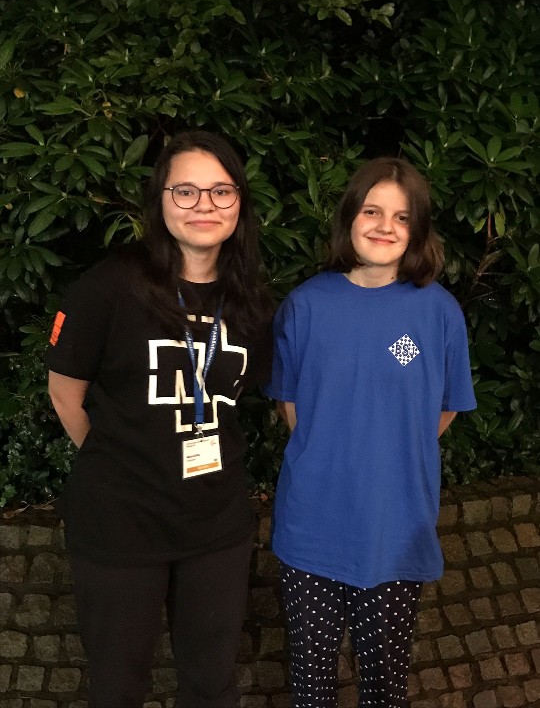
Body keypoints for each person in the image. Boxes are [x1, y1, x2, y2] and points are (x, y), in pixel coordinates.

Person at [46, 130, 273, 708]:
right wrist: (123, 460)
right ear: (161, 200)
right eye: (186, 191)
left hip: (216, 527)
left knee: (211, 686)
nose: (204, 206)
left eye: (221, 191)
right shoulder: (109, 286)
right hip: (121, 525)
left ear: (239, 203)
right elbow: (65, 393)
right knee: (118, 688)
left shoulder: (250, 300)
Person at [264, 157, 477, 708]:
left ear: (418, 229)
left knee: (384, 687)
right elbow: (290, 403)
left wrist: (390, 448)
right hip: (312, 527)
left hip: (395, 527)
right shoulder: (305, 305)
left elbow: (444, 409)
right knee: (311, 686)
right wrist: (332, 450)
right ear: (348, 218)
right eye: (371, 211)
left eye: (402, 217)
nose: (385, 226)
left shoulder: (438, 313)